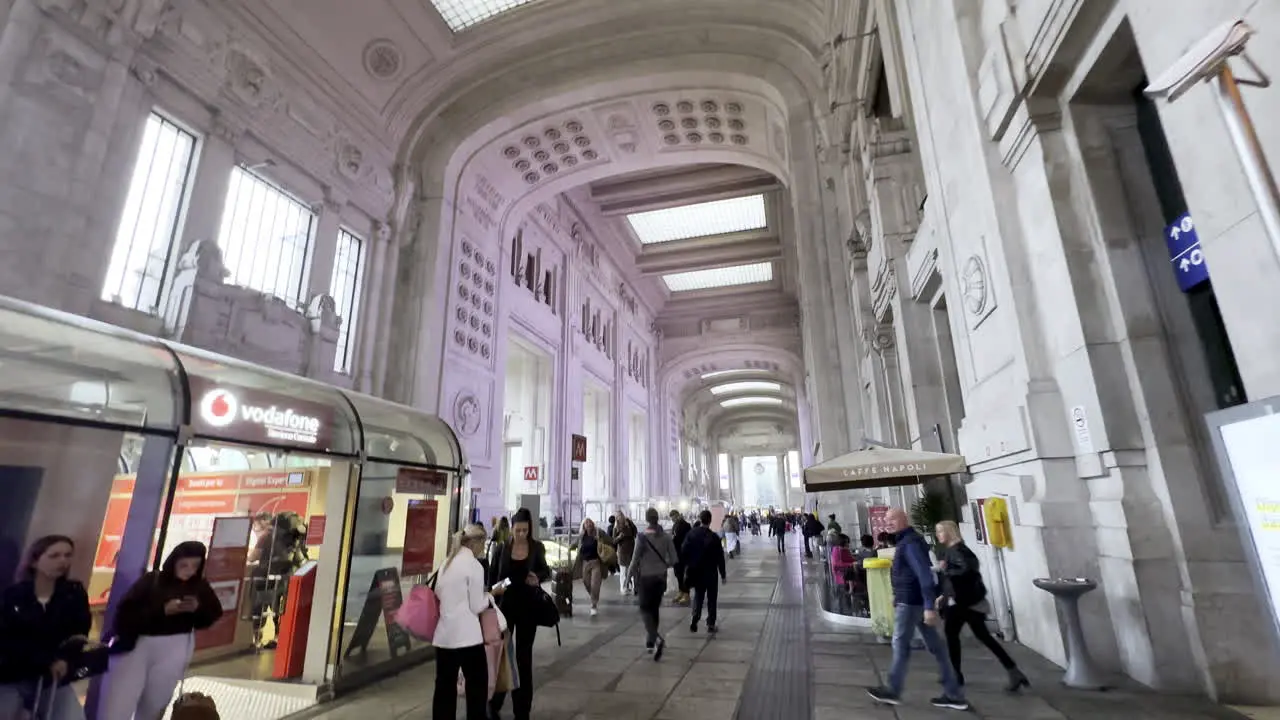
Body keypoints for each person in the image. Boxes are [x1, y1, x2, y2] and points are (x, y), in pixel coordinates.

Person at [103, 541, 223, 720]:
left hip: (176, 645)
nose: (189, 570)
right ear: (174, 562)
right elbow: (124, 616)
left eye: (195, 566)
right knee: (120, 701)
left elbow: (213, 614)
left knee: (156, 703)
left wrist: (197, 609)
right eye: (184, 565)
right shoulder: (152, 581)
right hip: (138, 645)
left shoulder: (199, 586)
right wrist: (162, 611)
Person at [866, 509, 968, 711]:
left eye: (892, 519)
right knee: (937, 648)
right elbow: (910, 573)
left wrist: (929, 606)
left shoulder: (910, 543)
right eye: (886, 521)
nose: (888, 523)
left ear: (904, 520)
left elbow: (924, 575)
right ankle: (953, 693)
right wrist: (898, 592)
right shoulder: (906, 541)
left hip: (912, 603)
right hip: (911, 600)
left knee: (900, 643)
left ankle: (893, 690)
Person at [0, 535, 91, 720]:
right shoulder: (14, 596)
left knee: (71, 715)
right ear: (35, 561)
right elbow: (9, 640)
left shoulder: (73, 594)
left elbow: (79, 633)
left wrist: (66, 659)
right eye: (54, 555)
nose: (62, 561)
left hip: (53, 678)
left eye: (67, 555)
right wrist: (46, 660)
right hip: (13, 675)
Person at [935, 521, 1028, 692]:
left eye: (941, 531)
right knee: (980, 636)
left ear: (949, 532)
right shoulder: (954, 550)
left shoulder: (958, 550)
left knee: (953, 636)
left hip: (962, 603)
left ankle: (955, 674)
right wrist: (943, 594)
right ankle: (1013, 671)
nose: (938, 535)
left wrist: (945, 570)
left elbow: (968, 571)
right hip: (963, 601)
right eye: (937, 531)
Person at [488, 508, 550, 720]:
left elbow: (545, 570)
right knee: (503, 656)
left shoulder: (536, 548)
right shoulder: (502, 549)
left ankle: (522, 708)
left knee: (524, 659)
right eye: (518, 530)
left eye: (525, 530)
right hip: (504, 609)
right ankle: (494, 702)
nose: (522, 534)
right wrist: (501, 586)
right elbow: (493, 581)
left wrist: (537, 577)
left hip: (528, 609)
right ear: (511, 529)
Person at [432, 523, 494, 720]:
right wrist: (491, 597)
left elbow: (438, 593)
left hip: (444, 637)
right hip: (468, 639)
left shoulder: (446, 563)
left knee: (444, 687)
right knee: (477, 687)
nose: (483, 549)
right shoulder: (474, 566)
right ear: (477, 543)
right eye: (483, 544)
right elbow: (476, 605)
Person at [627, 508, 677, 660]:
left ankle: (656, 637)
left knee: (644, 609)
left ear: (647, 519)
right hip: (660, 579)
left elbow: (635, 560)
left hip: (646, 579)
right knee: (654, 609)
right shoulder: (666, 537)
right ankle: (650, 642)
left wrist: (628, 576)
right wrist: (662, 565)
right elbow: (674, 559)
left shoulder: (642, 537)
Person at [682, 510, 726, 634]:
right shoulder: (714, 537)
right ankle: (711, 623)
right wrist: (723, 574)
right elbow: (720, 557)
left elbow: (684, 551)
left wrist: (689, 564)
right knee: (712, 598)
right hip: (711, 573)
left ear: (700, 520)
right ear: (710, 520)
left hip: (697, 572)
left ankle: (695, 618)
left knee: (698, 596)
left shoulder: (691, 534)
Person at [577, 518, 606, 616]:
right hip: (585, 563)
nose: (588, 524)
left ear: (593, 524)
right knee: (586, 582)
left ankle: (594, 605)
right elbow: (577, 544)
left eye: (590, 522)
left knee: (595, 584)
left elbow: (609, 540)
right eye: (586, 523)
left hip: (596, 562)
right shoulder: (582, 536)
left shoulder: (598, 533)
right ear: (584, 526)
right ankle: (594, 596)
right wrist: (571, 547)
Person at [668, 511, 692, 606]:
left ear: (677, 515)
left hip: (683, 553)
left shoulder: (685, 525)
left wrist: (673, 539)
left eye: (673, 517)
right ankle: (680, 591)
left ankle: (686, 594)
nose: (672, 519)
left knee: (683, 574)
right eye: (671, 518)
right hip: (676, 553)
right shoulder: (675, 525)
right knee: (678, 574)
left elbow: (684, 538)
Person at [613, 510, 637, 595]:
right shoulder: (616, 527)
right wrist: (619, 537)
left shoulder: (629, 523)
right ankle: (623, 588)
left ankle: (634, 587)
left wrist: (630, 524)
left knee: (632, 570)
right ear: (616, 518)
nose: (620, 517)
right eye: (618, 516)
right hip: (622, 551)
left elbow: (635, 532)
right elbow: (614, 541)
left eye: (621, 515)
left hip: (631, 549)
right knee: (623, 571)